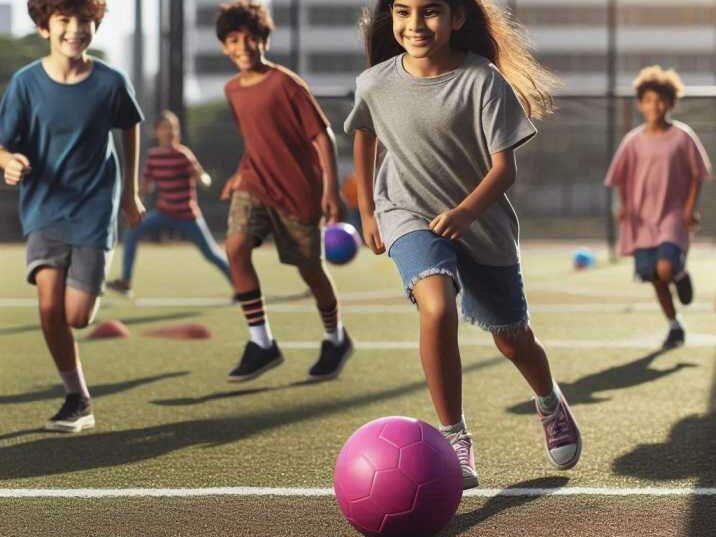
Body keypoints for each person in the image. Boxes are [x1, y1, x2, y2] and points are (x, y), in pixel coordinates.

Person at [345, 0, 581, 489]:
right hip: (406, 213)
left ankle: (549, 401)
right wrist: (368, 211)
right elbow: (364, 134)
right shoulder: (374, 83)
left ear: (456, 19)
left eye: (429, 12)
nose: (414, 24)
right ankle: (454, 437)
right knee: (436, 306)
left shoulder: (482, 81)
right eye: (403, 12)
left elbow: (504, 170)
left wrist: (466, 212)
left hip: (481, 223)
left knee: (513, 340)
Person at [0, 0, 144, 431]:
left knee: (77, 316)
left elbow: (130, 127)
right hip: (44, 208)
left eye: (85, 20)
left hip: (94, 209)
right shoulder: (25, 84)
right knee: (48, 308)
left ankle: (76, 384)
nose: (75, 29)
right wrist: (7, 163)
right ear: (45, 27)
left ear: (95, 24)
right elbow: (3, 145)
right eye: (64, 20)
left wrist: (131, 192)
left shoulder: (111, 82)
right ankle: (77, 398)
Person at [216, 1, 353, 382]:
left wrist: (332, 190)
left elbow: (321, 137)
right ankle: (261, 343)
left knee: (309, 269)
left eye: (250, 38)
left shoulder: (287, 84)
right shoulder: (231, 89)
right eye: (232, 40)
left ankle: (335, 338)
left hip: (298, 190)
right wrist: (238, 173)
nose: (242, 45)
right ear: (225, 47)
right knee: (235, 248)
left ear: (263, 41)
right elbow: (258, 139)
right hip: (255, 182)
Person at [605, 66, 711, 349]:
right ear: (640, 104)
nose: (656, 105)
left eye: (661, 100)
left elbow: (699, 173)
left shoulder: (682, 137)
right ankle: (675, 325)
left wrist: (690, 207)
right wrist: (624, 206)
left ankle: (679, 273)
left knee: (665, 270)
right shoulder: (633, 141)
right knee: (653, 276)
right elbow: (619, 177)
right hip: (642, 219)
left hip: (673, 215)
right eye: (649, 100)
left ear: (671, 102)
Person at [107, 111, 232, 297]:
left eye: (174, 127)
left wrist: (204, 179)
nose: (170, 131)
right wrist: (135, 204)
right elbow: (144, 187)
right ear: (156, 132)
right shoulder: (153, 157)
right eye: (165, 127)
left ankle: (242, 286)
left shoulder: (183, 155)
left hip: (187, 215)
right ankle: (126, 281)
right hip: (164, 213)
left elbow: (201, 175)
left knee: (210, 253)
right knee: (132, 232)